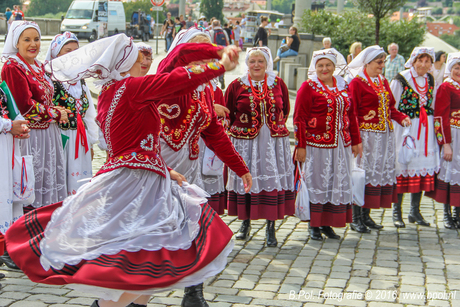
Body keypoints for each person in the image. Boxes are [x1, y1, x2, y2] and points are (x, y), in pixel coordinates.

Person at [5, 33, 242, 307]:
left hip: (136, 177)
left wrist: (164, 168)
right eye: (136, 56)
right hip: (135, 183)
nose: (143, 60)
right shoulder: (130, 89)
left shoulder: (108, 92)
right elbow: (176, 80)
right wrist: (220, 64)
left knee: (144, 265)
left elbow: (137, 140)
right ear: (125, 61)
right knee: (136, 262)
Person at [157, 27, 251, 214]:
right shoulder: (169, 79)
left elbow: (215, 133)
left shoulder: (205, 90)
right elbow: (178, 56)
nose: (204, 58)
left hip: (190, 168)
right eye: (198, 51)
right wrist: (217, 52)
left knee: (190, 223)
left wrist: (240, 167)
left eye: (207, 53)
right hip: (164, 164)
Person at [1, 21, 70, 269]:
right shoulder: (13, 66)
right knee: (28, 187)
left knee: (43, 185)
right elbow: (23, 105)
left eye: (37, 39)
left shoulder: (38, 66)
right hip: (29, 137)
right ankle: (16, 247)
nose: (33, 44)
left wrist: (56, 111)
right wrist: (54, 112)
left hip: (46, 135)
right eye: (27, 40)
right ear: (16, 42)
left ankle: (38, 242)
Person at [225, 47, 294, 247]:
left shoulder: (278, 83)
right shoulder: (236, 86)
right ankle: (245, 223)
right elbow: (227, 113)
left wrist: (274, 126)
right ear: (247, 63)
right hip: (245, 143)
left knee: (271, 179)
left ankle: (270, 228)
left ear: (267, 64)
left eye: (260, 61)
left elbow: (286, 109)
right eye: (252, 61)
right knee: (248, 179)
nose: (256, 65)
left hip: (273, 143)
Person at [294, 49, 362, 241]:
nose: (324, 69)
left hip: (341, 144)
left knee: (335, 181)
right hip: (317, 145)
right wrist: (301, 145)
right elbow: (300, 118)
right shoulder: (308, 87)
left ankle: (328, 222)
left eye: (328, 65)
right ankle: (314, 224)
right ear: (315, 68)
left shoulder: (343, 86)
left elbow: (351, 115)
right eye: (320, 65)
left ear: (334, 67)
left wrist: (356, 141)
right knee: (317, 181)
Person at [348, 46, 411, 232]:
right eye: (379, 62)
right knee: (361, 174)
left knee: (374, 175)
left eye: (383, 62)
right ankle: (355, 216)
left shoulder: (382, 81)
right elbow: (352, 113)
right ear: (367, 63)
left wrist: (402, 118)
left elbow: (391, 107)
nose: (382, 65)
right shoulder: (357, 83)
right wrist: (356, 139)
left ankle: (366, 215)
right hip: (366, 136)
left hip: (383, 137)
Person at [390, 47, 440, 228]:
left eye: (427, 61)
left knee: (421, 168)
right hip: (405, 129)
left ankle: (414, 211)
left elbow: (432, 103)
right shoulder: (401, 79)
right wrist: (401, 120)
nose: (423, 65)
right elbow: (391, 105)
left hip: (425, 130)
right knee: (403, 165)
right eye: (420, 60)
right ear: (413, 60)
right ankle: (397, 212)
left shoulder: (431, 79)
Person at [45, 32, 99, 196]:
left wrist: (90, 142)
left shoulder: (80, 79)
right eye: (67, 51)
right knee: (59, 180)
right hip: (59, 138)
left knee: (79, 185)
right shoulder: (49, 80)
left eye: (75, 51)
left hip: (80, 140)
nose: (72, 55)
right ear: (57, 53)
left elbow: (89, 113)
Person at [425, 52, 460, 229]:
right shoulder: (446, 87)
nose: (459, 71)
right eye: (456, 67)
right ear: (450, 69)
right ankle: (447, 214)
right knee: (449, 171)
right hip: (452, 135)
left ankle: (458, 213)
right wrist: (445, 143)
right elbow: (439, 117)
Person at [0, 85, 30, 270]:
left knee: (5, 197)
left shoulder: (2, 87)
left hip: (6, 145)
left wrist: (20, 126)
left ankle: (5, 247)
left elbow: (12, 110)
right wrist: (9, 125)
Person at [210, 20, 229, 89]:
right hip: (223, 51)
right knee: (221, 65)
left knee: (213, 66)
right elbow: (227, 42)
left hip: (214, 51)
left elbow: (209, 42)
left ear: (212, 25)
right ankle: (221, 77)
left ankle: (213, 82)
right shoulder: (224, 32)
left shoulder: (211, 32)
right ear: (219, 24)